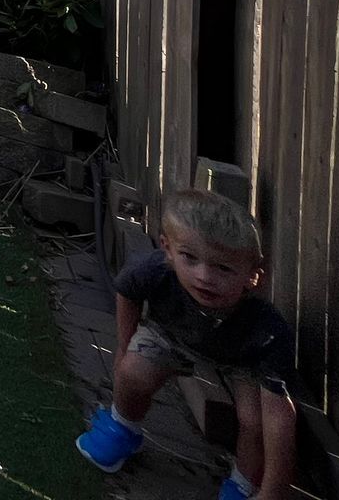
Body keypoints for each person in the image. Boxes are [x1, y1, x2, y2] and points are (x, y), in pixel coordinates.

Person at [76, 189, 297, 499]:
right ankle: (123, 426)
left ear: (252, 277)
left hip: (241, 359)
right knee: (133, 370)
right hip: (171, 335)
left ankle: (245, 484)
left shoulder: (267, 329)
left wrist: (274, 492)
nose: (204, 276)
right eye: (189, 258)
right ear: (168, 249)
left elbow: (279, 415)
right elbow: (127, 292)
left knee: (254, 420)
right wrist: (123, 350)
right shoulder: (154, 270)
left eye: (224, 268)